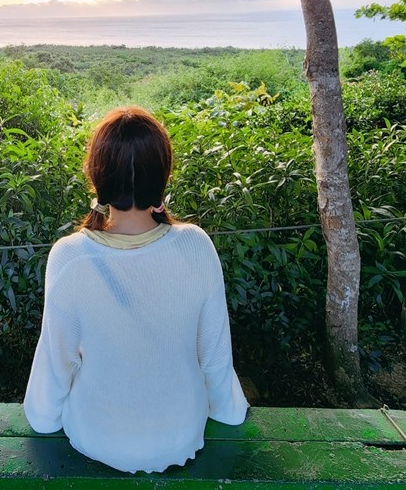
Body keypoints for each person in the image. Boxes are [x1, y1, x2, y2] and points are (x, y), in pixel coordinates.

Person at [23, 106, 248, 473]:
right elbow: (215, 358)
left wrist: (44, 419)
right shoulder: (196, 245)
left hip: (96, 436)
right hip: (181, 435)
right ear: (163, 175)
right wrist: (229, 411)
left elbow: (57, 365)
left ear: (97, 177)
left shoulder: (69, 255)